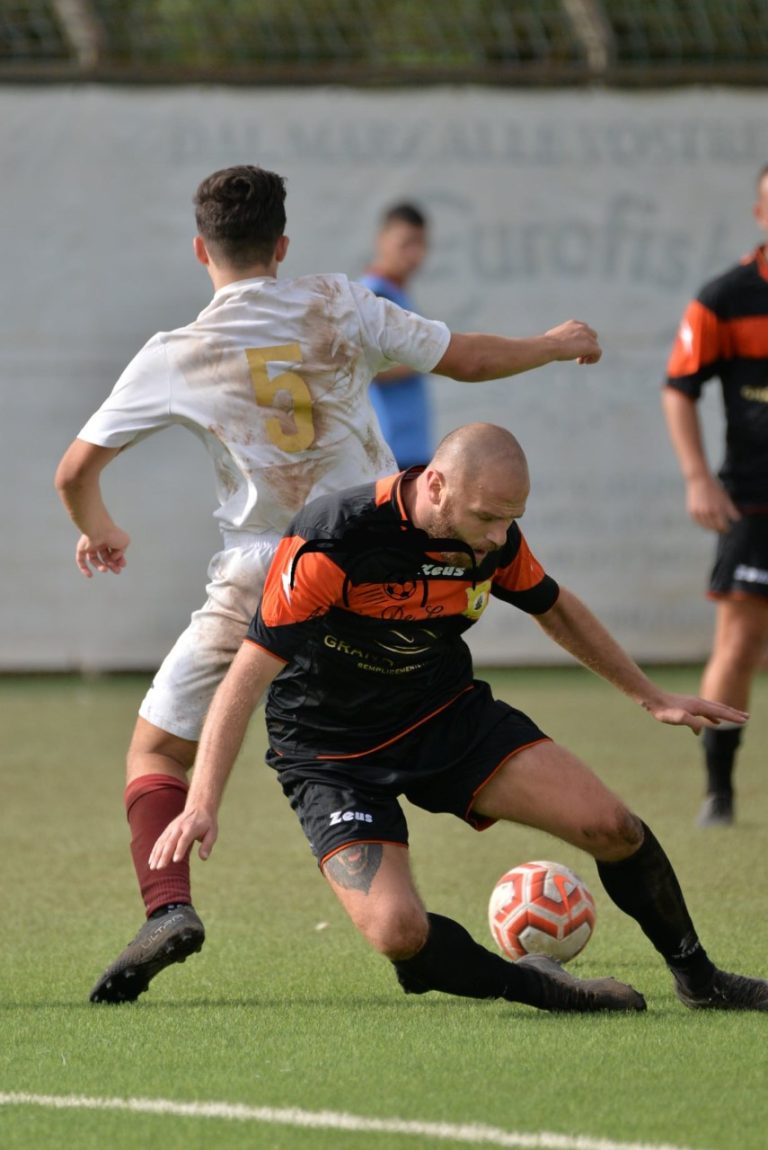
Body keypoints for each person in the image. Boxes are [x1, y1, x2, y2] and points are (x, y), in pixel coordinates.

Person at [54, 165, 605, 1004]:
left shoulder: (176, 352)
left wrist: (98, 526)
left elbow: (74, 471)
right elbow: (465, 359)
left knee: (159, 747)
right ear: (282, 245)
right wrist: (553, 345)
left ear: (202, 249)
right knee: (399, 710)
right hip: (372, 557)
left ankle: (168, 906)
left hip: (260, 571)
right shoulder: (341, 302)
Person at [151, 423, 768, 1014]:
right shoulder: (334, 539)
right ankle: (540, 988)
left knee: (613, 827)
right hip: (331, 754)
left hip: (445, 715)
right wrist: (202, 800)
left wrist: (650, 695)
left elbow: (552, 605)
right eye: (488, 517)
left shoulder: (486, 536)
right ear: (437, 485)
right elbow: (245, 677)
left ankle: (700, 979)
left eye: (511, 520)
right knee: (398, 932)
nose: (499, 538)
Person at [662, 164, 768, 829]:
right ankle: (719, 794)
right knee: (741, 638)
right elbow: (681, 387)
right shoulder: (725, 299)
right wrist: (698, 476)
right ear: (761, 214)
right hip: (754, 496)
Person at [361, 202, 433, 468]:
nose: (415, 254)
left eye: (421, 244)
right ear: (382, 240)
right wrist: (430, 356)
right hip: (387, 453)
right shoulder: (370, 297)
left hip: (410, 451)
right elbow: (363, 366)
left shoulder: (398, 295)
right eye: (406, 243)